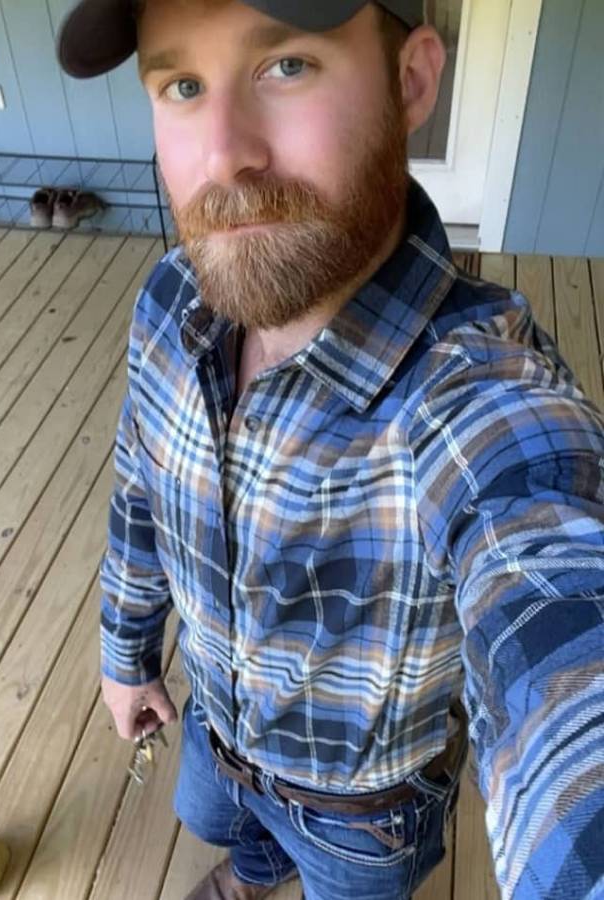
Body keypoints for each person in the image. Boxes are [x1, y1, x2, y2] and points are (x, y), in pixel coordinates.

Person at [56, 2, 604, 898]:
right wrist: (126, 650)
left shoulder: (472, 394)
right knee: (217, 820)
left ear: (410, 81)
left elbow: (554, 598)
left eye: (287, 66)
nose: (224, 154)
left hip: (363, 815)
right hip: (214, 730)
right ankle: (253, 870)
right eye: (183, 85)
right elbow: (139, 491)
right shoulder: (168, 301)